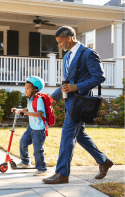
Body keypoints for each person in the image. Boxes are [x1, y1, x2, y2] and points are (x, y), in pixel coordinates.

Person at [42, 26, 113, 184]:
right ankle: (103, 161)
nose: (59, 45)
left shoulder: (88, 54)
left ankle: (62, 174)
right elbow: (67, 83)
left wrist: (78, 86)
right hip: (70, 102)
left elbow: (99, 77)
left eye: (60, 42)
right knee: (79, 135)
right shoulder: (67, 57)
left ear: (69, 38)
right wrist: (53, 98)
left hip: (82, 103)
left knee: (67, 135)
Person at [11, 76, 48, 176]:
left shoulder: (38, 99)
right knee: (23, 142)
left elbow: (39, 113)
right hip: (32, 127)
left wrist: (25, 114)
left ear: (35, 89)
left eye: (28, 88)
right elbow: (28, 109)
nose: (26, 90)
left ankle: (42, 169)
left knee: (37, 149)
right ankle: (25, 162)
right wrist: (20, 111)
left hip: (39, 129)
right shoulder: (30, 99)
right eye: (25, 88)